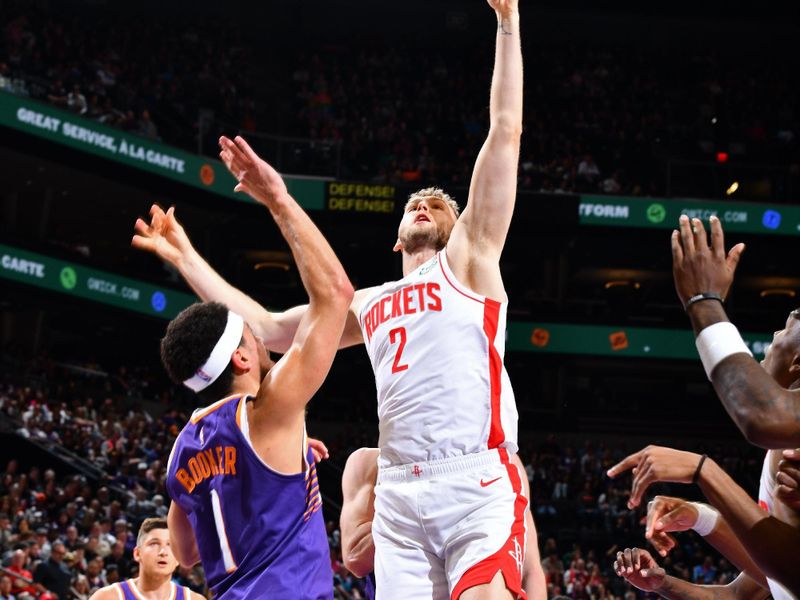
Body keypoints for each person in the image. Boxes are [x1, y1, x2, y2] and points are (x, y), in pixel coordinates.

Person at [134, 0, 529, 596]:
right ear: (397, 237)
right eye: (413, 204)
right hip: (397, 489)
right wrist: (186, 255)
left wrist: (507, 22)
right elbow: (261, 328)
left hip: (472, 473)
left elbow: (505, 130)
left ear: (456, 225)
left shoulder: (470, 262)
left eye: (438, 205)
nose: (423, 205)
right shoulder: (370, 303)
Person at [144, 141, 354, 598]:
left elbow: (185, 552)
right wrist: (277, 198)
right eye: (250, 336)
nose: (261, 337)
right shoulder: (269, 409)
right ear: (241, 358)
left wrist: (266, 472)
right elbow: (336, 292)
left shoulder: (184, 448)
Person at [339, 449, 545, 600]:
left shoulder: (498, 460)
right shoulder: (366, 461)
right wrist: (416, 508)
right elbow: (355, 558)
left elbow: (530, 569)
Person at [88, 518, 203, 600]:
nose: (163, 552)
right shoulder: (108, 597)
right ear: (137, 553)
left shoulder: (194, 599)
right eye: (154, 544)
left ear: (178, 558)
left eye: (170, 545)